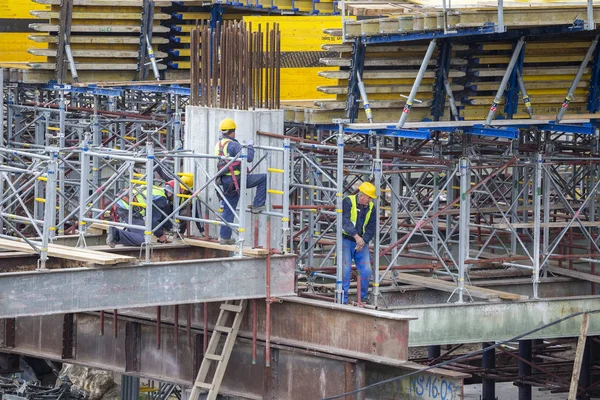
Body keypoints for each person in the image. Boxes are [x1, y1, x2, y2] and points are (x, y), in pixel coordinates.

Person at [214, 118, 266, 245]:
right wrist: (250, 146)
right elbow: (249, 158)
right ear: (232, 132)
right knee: (264, 178)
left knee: (229, 208)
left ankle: (224, 237)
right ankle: (257, 205)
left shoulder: (219, 144)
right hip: (237, 179)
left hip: (225, 180)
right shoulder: (233, 145)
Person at [341, 181, 377, 304]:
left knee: (366, 270)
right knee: (345, 270)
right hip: (347, 240)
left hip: (361, 242)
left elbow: (371, 228)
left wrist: (363, 241)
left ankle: (362, 296)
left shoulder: (371, 207)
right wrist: (356, 237)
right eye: (369, 198)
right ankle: (343, 298)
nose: (370, 200)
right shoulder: (348, 201)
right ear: (362, 195)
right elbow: (345, 222)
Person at [106, 184, 173, 247]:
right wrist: (160, 235)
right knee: (143, 239)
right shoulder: (161, 198)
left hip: (123, 203)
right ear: (169, 193)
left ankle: (126, 235)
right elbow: (153, 221)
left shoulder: (157, 190)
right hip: (127, 207)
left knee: (138, 230)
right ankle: (116, 234)